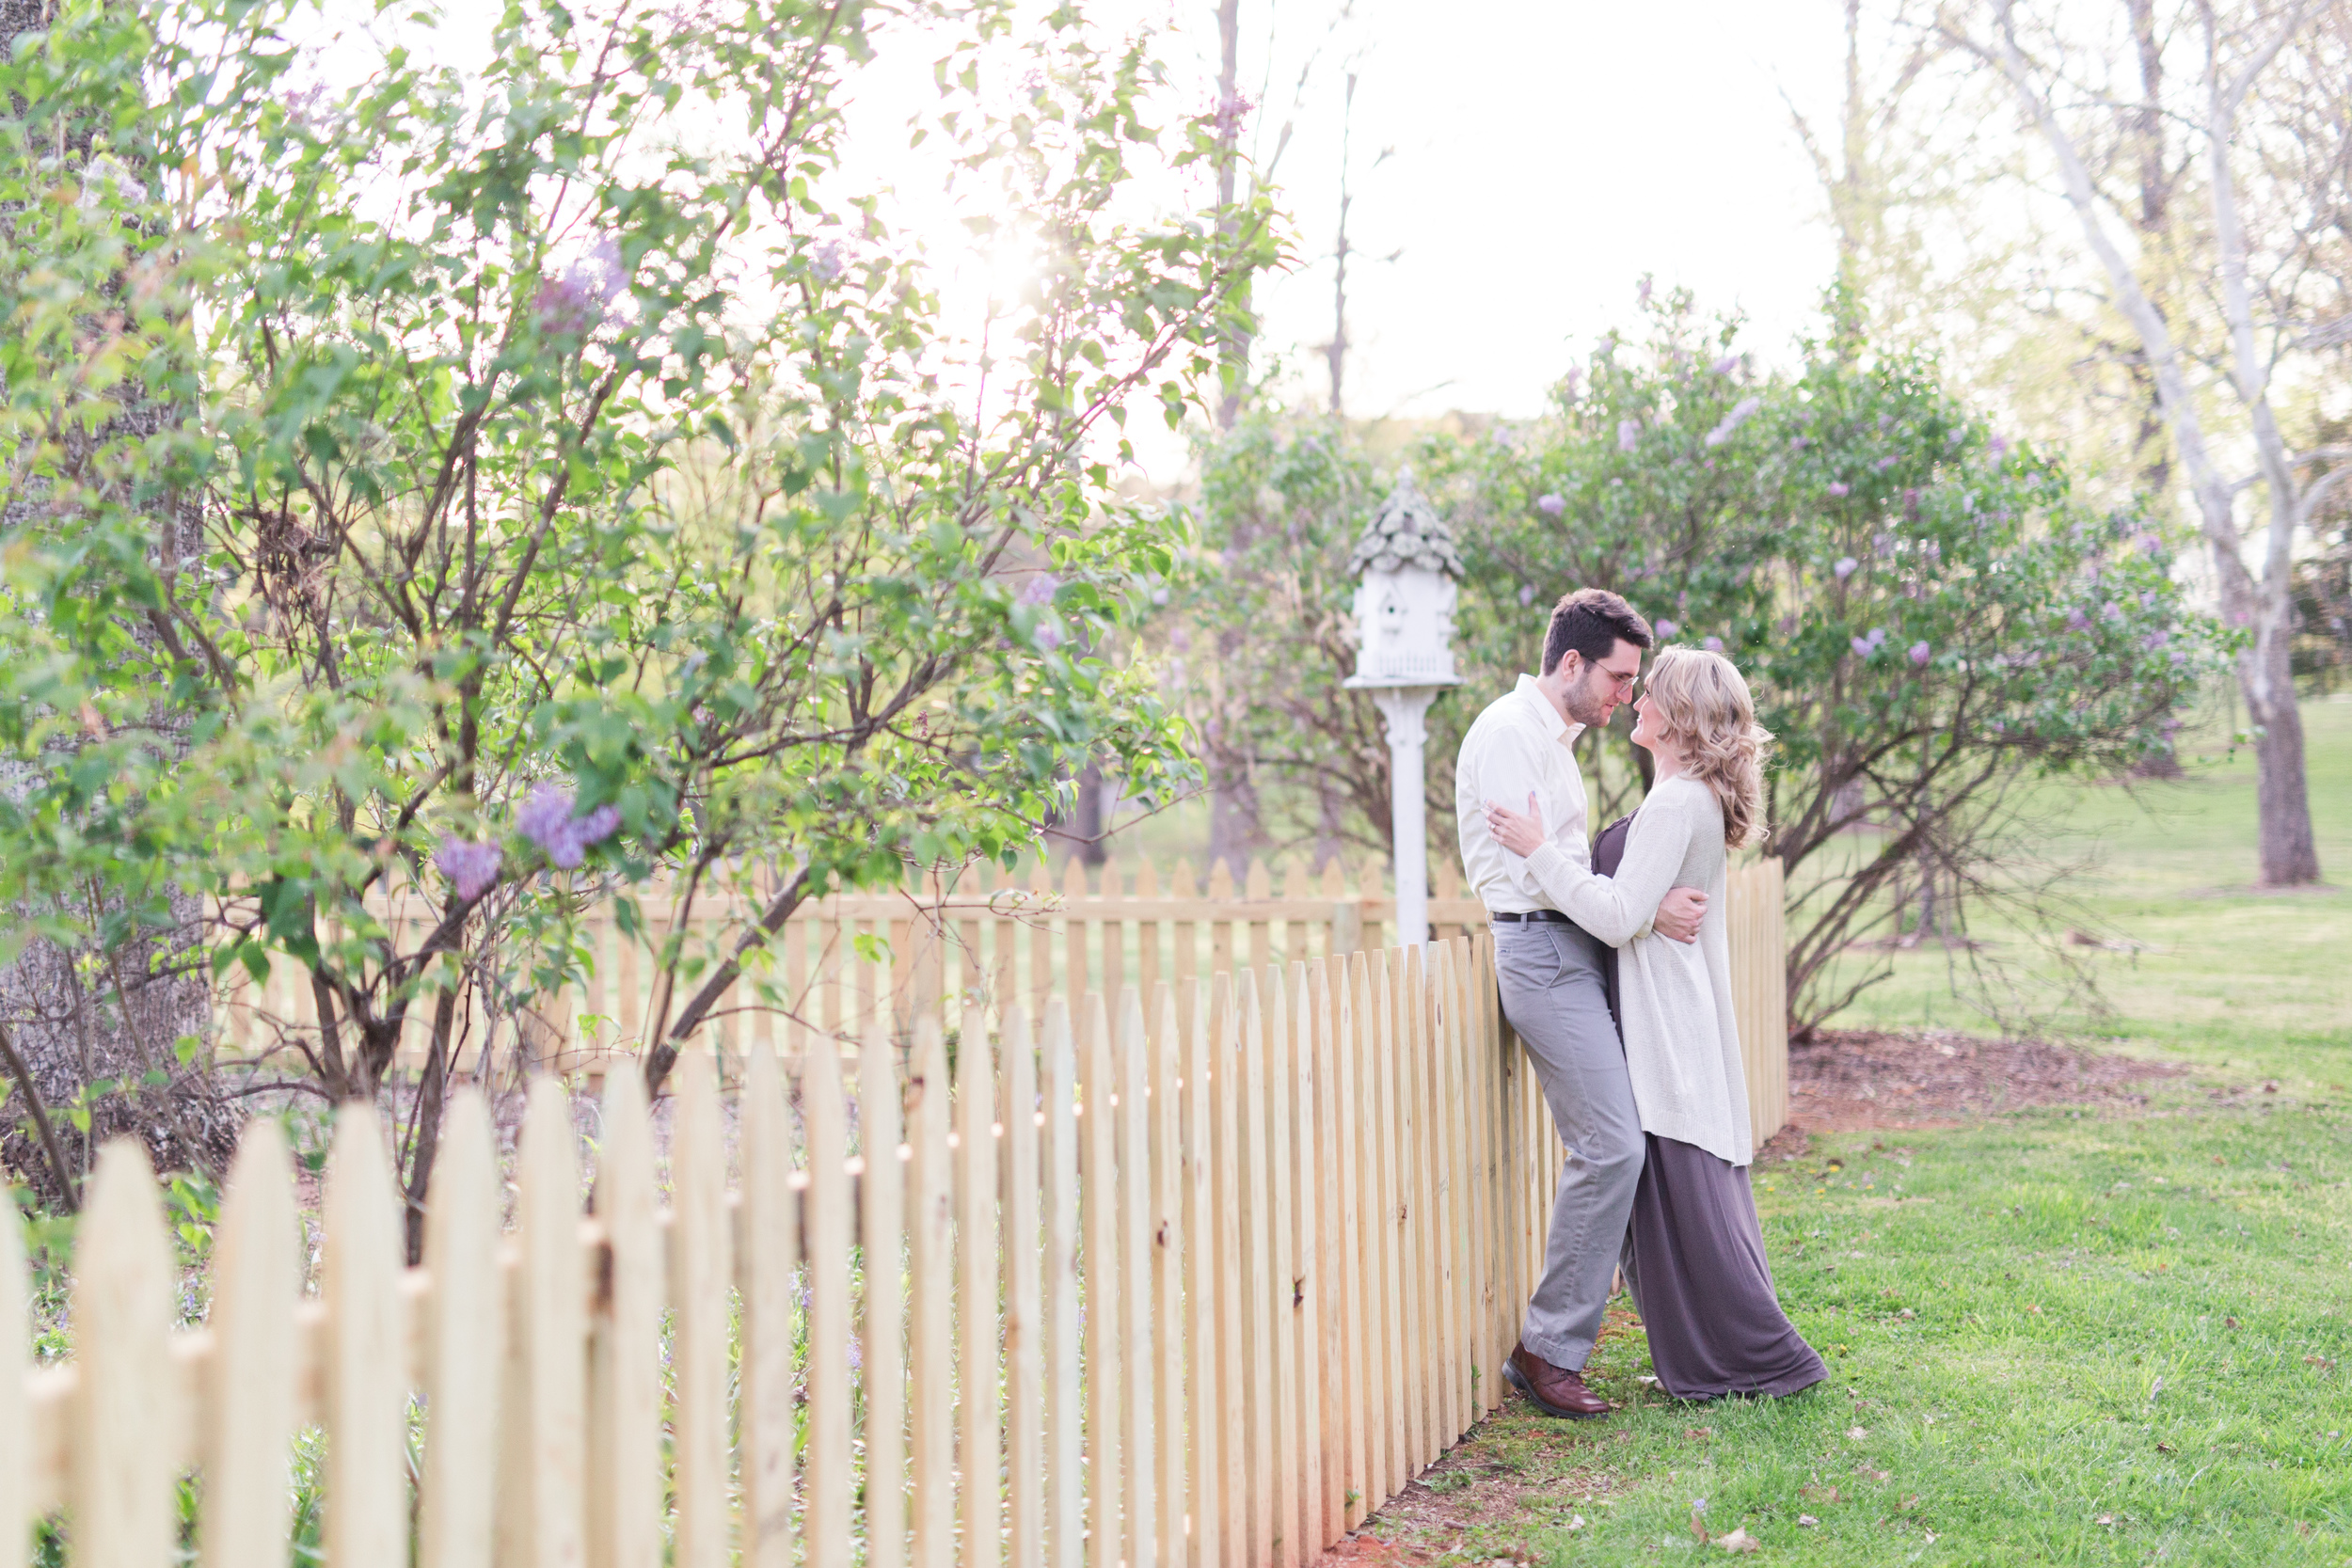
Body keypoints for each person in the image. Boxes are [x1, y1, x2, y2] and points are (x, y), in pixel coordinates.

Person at [1484, 645, 1826, 1402]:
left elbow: (1611, 915)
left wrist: (1539, 851)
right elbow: (1630, 905)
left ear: (1679, 717)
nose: (1635, 701)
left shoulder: (1677, 803)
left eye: (1651, 694)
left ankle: (1748, 1355)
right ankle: (1725, 1351)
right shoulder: (1687, 794)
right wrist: (1641, 911)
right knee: (1680, 1201)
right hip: (1672, 1007)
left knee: (1679, 1202)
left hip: (1665, 1019)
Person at [1454, 588, 1709, 1420]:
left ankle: (1659, 1316)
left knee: (1635, 1138)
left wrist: (1641, 906)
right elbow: (1533, 871)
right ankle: (1548, 1349)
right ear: (1572, 662)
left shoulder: (1551, 742)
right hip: (1542, 951)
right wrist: (1629, 905)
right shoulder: (1505, 735)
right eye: (1619, 675)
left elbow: (1571, 863)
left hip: (1577, 941)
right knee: (1612, 1147)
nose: (1627, 696)